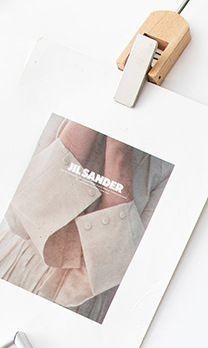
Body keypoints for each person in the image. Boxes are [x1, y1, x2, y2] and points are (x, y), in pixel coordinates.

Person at [0, 116, 171, 323]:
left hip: (76, 309)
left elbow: (110, 269)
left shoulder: (169, 162)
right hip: (12, 264)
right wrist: (92, 119)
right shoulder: (68, 110)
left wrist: (119, 153)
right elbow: (20, 221)